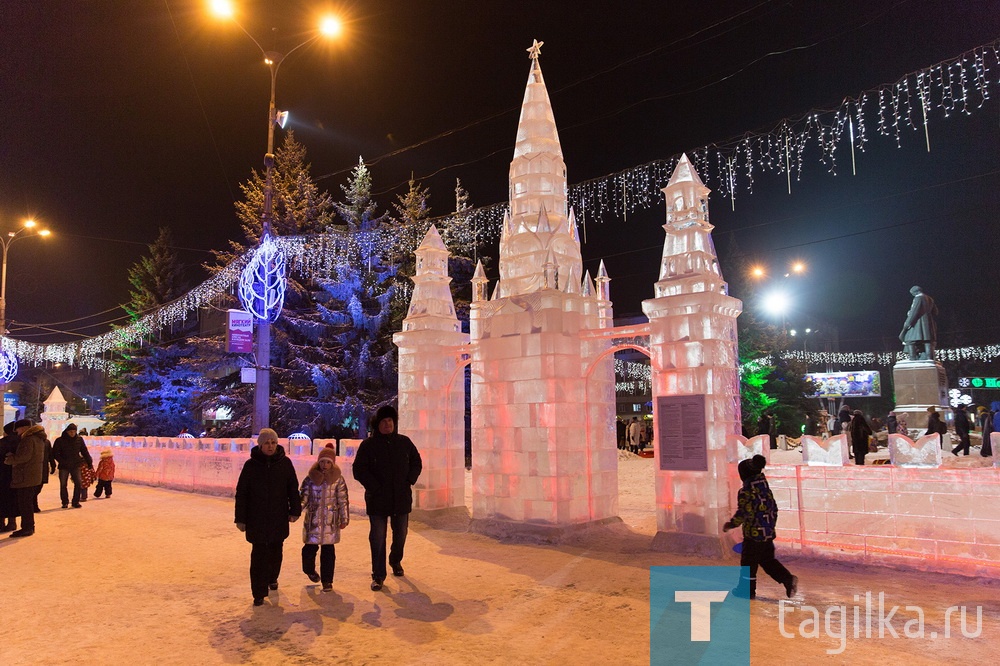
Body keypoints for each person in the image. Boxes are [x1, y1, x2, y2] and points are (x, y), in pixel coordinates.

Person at [353, 405, 422, 592]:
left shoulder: (404, 442)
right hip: (377, 500)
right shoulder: (368, 446)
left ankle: (395, 560)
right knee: (378, 538)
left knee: (401, 535)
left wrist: (410, 479)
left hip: (400, 498)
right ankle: (378, 574)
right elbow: (359, 470)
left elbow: (417, 461)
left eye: (390, 421)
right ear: (378, 424)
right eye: (384, 421)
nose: (388, 424)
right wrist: (374, 486)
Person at [234, 428, 302, 606]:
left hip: (278, 516)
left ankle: (272, 577)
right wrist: (240, 518)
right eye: (267, 443)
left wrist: (295, 510)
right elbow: (242, 493)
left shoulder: (285, 463)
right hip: (256, 517)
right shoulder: (251, 466)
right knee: (258, 554)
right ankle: (258, 591)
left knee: (275, 550)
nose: (270, 446)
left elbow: (292, 489)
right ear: (260, 445)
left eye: (273, 442)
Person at [723, 455, 797, 600]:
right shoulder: (765, 489)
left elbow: (744, 512)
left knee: (748, 564)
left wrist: (731, 524)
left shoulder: (746, 492)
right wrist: (769, 526)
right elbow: (774, 509)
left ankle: (747, 591)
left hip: (753, 535)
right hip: (767, 533)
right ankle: (787, 579)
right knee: (767, 561)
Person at [299, 444, 350, 592]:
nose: (325, 465)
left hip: (330, 521)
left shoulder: (338, 480)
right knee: (309, 550)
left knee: (328, 552)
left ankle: (327, 581)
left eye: (328, 462)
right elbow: (303, 498)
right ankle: (309, 570)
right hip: (313, 520)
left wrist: (344, 518)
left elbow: (343, 500)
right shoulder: (310, 479)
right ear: (318, 462)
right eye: (322, 462)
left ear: (332, 463)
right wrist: (294, 512)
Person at [3, 419, 46, 538]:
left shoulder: (28, 439)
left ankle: (27, 527)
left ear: (23, 428)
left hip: (25, 475)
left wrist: (10, 459)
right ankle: (28, 527)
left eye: (17, 429)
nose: (16, 432)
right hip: (32, 475)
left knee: (25, 503)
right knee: (27, 502)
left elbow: (23, 457)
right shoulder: (38, 438)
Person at [51, 423, 93, 509]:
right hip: (64, 466)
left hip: (75, 464)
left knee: (78, 483)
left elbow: (84, 451)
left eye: (74, 432)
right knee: (63, 484)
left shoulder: (79, 440)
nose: (72, 433)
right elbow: (55, 453)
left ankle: (75, 501)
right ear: (67, 432)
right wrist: (62, 461)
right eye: (70, 432)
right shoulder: (60, 440)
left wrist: (89, 462)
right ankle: (65, 502)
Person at [899, 285, 938, 361]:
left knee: (909, 339)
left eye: (912, 293)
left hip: (918, 323)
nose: (912, 295)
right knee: (927, 340)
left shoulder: (918, 298)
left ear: (915, 292)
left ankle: (913, 358)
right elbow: (936, 312)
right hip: (929, 323)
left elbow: (914, 312)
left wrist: (908, 323)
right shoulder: (930, 299)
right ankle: (929, 358)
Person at [0, 422, 19, 532]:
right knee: (13, 499)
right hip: (16, 475)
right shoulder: (21, 442)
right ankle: (12, 522)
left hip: (2, 475)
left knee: (1, 499)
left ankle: (1, 523)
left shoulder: (2, 443)